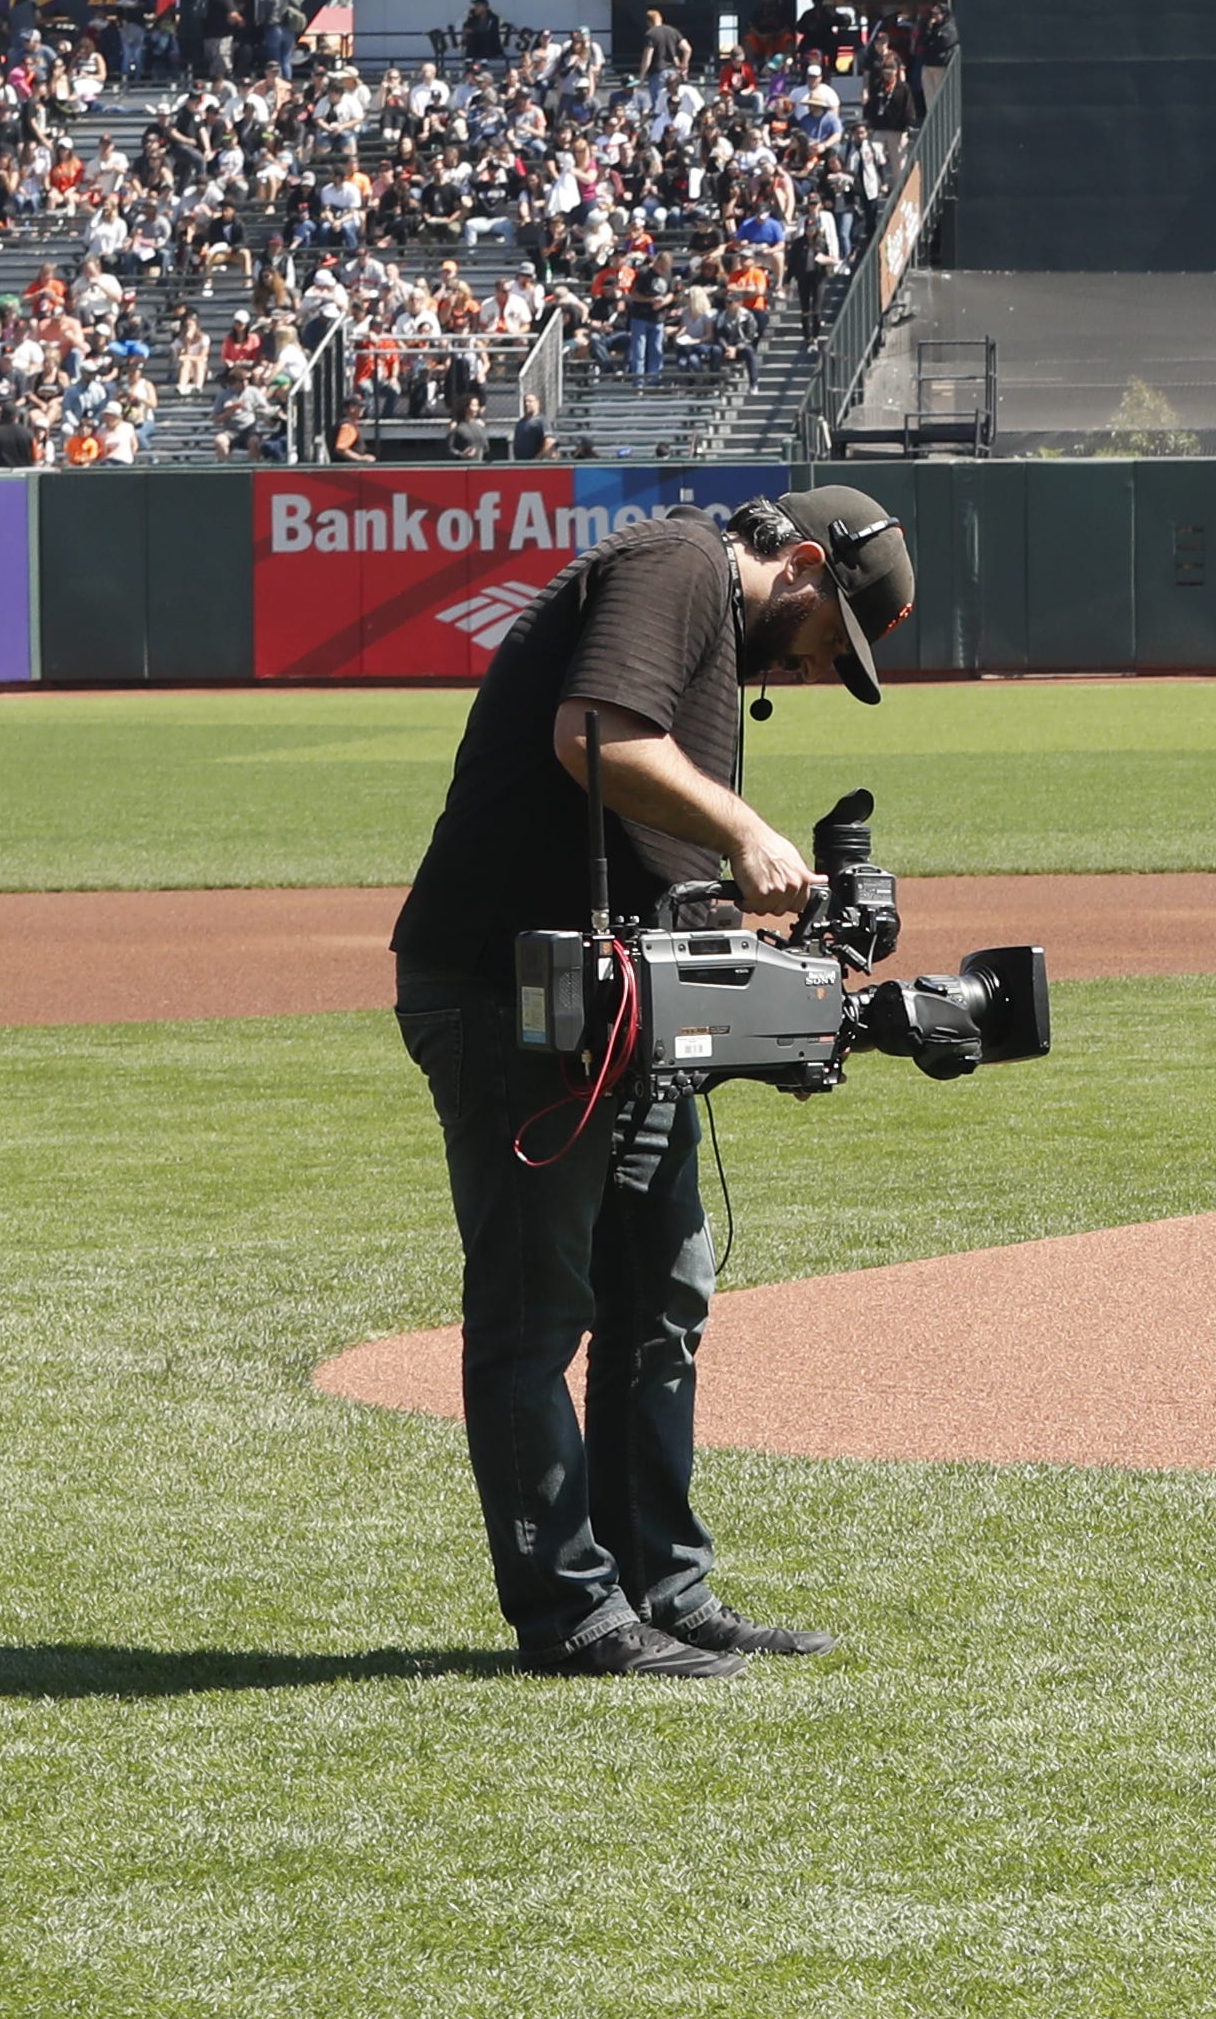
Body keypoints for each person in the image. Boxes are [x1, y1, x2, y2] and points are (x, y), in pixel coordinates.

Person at [384, 489, 919, 1677]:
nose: (824, 668)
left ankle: (660, 1590)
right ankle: (571, 1612)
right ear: (806, 565)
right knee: (536, 1312)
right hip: (510, 993)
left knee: (662, 1297)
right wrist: (747, 833)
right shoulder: (677, 561)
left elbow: (654, 857)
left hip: (615, 1005)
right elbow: (595, 734)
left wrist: (790, 947)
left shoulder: (720, 637)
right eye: (835, 641)